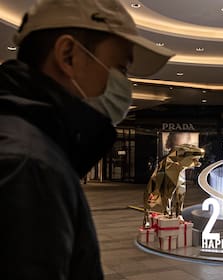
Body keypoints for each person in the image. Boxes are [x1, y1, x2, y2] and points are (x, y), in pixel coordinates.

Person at [0, 0, 173, 279]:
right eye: (120, 68)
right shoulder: (28, 165)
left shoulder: (31, 142)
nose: (125, 86)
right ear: (68, 56)